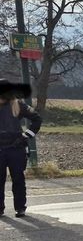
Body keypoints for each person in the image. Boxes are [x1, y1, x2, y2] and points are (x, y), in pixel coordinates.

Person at [0, 78, 41, 218]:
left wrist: (26, 136)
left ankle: (20, 208)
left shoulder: (18, 104)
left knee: (18, 179)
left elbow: (37, 119)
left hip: (16, 147)